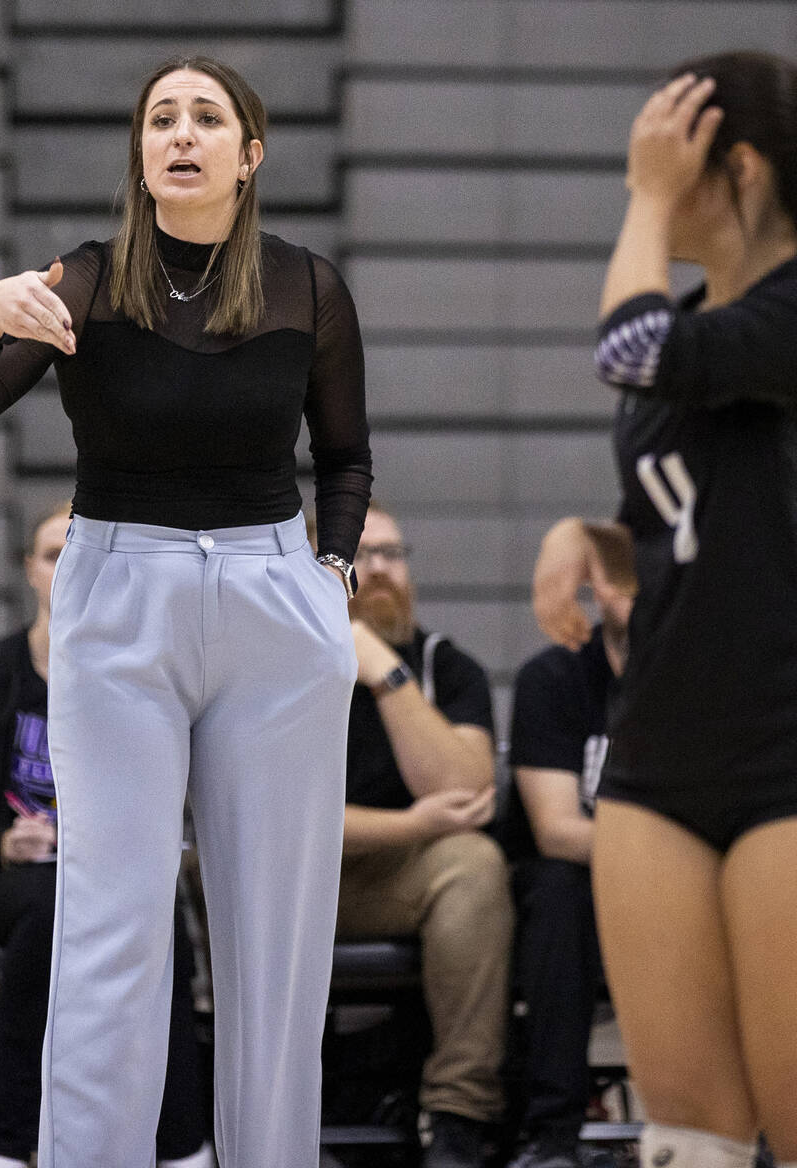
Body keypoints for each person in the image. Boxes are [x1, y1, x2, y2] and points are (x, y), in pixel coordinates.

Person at [0, 53, 370, 1168]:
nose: (180, 132)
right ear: (141, 151)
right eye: (160, 117)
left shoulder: (308, 284)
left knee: (275, 943)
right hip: (121, 591)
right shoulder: (82, 280)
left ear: (248, 155)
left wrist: (334, 574)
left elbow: (347, 458)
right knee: (111, 930)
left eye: (206, 117)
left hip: (278, 598)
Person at [533, 51, 797, 1168]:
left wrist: (647, 199)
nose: (638, 187)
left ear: (736, 165)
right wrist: (584, 539)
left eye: (661, 163)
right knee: (687, 1137)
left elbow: (627, 348)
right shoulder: (697, 329)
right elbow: (683, 524)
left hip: (785, 752)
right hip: (655, 762)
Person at [0, 504, 213, 1168]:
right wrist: (1, 843)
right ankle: (3, 1138)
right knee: (61, 906)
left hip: (109, 884)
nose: (69, 570)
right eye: (55, 555)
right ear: (30, 571)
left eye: (86, 557)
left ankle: (180, 1145)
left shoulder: (143, 685)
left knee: (149, 911)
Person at [334, 502, 510, 1168]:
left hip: (389, 881)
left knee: (473, 862)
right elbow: (272, 823)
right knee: (219, 857)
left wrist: (386, 672)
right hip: (288, 880)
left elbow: (465, 795)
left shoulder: (442, 666)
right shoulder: (275, 660)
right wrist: (412, 824)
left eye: (394, 555)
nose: (381, 571)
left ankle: (459, 1114)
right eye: (363, 555)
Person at [505, 526, 634, 1168]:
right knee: (561, 885)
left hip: (662, 893)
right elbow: (557, 828)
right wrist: (665, 853)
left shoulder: (696, 684)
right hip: (569, 892)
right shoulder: (553, 678)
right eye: (621, 579)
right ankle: (552, 1134)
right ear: (594, 586)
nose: (634, 596)